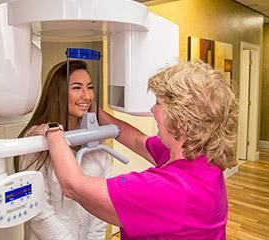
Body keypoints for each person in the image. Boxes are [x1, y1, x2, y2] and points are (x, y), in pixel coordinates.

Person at [33, 60, 238, 239]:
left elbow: (74, 186)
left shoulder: (171, 189)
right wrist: (96, 110)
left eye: (158, 103)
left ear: (181, 120)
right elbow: (138, 141)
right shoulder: (197, 156)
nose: (152, 110)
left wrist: (53, 132)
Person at [14, 60, 111, 240]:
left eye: (89, 87)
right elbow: (38, 212)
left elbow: (101, 208)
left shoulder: (97, 140)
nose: (87, 96)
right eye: (77, 87)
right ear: (58, 93)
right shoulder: (35, 141)